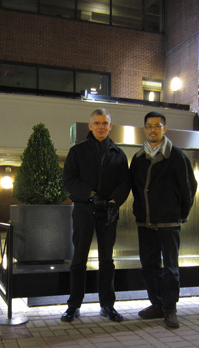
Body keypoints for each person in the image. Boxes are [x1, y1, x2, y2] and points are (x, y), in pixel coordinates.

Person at [61, 108, 131, 322]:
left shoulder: (119, 154)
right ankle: (73, 305)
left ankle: (107, 305)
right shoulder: (77, 151)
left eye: (105, 123)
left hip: (108, 212)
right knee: (79, 259)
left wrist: (113, 202)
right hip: (83, 210)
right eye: (97, 123)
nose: (101, 127)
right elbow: (69, 181)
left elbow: (124, 183)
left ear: (110, 126)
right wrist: (91, 196)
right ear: (90, 126)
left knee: (107, 260)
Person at [130, 111, 197, 329]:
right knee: (149, 265)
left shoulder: (176, 156)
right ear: (145, 129)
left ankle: (170, 309)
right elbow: (136, 189)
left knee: (170, 267)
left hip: (169, 222)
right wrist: (139, 211)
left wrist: (180, 214)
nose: (153, 130)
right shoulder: (138, 159)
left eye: (157, 126)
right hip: (145, 222)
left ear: (164, 129)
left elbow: (189, 187)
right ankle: (157, 304)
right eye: (149, 126)